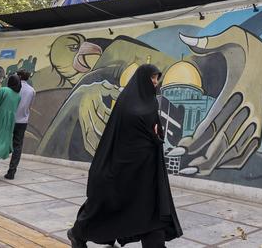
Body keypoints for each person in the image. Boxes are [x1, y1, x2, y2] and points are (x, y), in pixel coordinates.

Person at [67, 64, 182, 248]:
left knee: (149, 214)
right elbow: (126, 136)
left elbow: (154, 132)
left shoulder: (151, 102)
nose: (155, 81)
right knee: (107, 209)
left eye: (156, 77)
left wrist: (156, 136)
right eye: (152, 77)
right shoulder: (127, 102)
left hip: (146, 173)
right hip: (123, 170)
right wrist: (151, 136)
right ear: (141, 78)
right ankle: (78, 234)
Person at [5, 69, 35, 180]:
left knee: (0, 140)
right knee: (17, 146)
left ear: (19, 76)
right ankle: (12, 172)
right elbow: (30, 106)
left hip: (9, 119)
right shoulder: (32, 91)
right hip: (22, 121)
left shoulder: (11, 89)